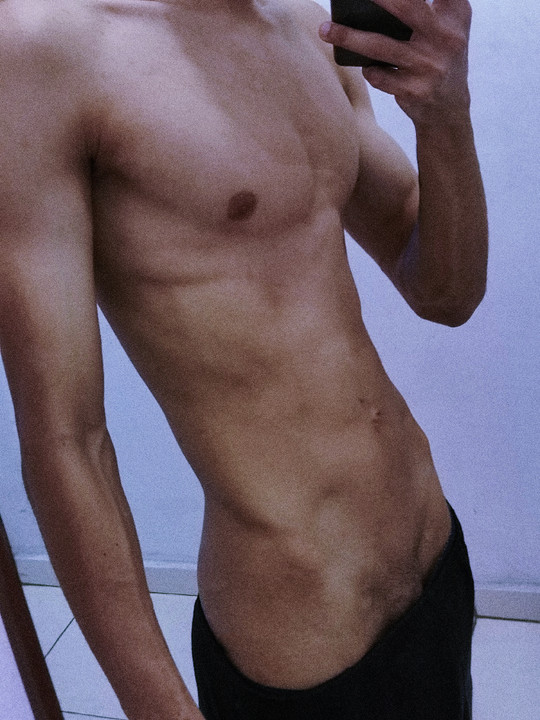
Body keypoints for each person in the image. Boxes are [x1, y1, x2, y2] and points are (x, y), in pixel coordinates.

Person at [0, 0, 487, 717]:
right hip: (302, 633)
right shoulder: (42, 46)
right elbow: (66, 440)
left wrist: (447, 115)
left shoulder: (308, 27)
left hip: (434, 558)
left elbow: (446, 292)